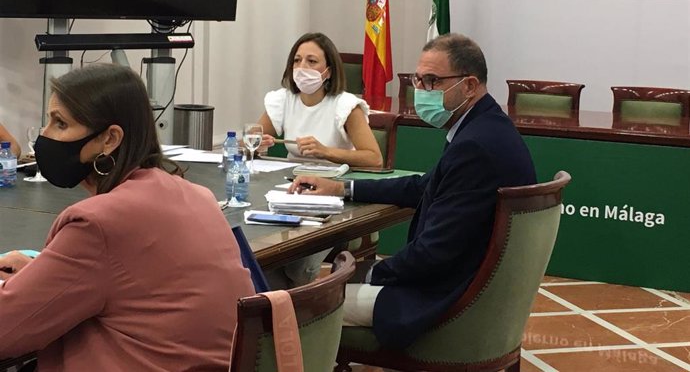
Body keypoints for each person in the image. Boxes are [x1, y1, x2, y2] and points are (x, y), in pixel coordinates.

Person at [289, 33, 537, 349]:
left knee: (295, 309)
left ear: (469, 86)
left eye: (432, 81)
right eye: (418, 80)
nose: (421, 92)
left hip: (443, 299)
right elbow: (423, 186)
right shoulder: (486, 125)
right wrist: (341, 187)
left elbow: (433, 254)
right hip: (472, 287)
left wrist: (370, 274)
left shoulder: (475, 146)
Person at [0, 65, 255, 371]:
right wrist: (41, 277)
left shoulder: (97, 224)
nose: (45, 135)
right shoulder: (197, 195)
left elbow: (6, 331)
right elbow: (134, 286)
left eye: (60, 123)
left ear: (109, 139)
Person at [258, 32, 382, 168]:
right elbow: (245, 142)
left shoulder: (346, 106)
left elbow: (374, 159)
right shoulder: (282, 100)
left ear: (328, 71)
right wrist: (254, 144)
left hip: (334, 182)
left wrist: (326, 151)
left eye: (311, 61)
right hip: (292, 180)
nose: (302, 67)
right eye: (297, 60)